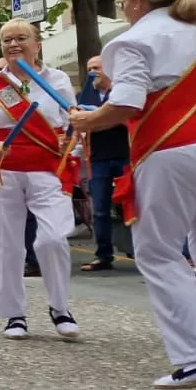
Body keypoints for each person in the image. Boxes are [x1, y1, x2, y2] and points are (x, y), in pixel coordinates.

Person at [70, 0, 196, 390]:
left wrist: (87, 120)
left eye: (123, 1)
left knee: (158, 251)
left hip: (169, 151)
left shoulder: (133, 40)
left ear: (136, 2)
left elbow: (126, 103)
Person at [0, 19, 81, 340]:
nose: (13, 44)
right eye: (7, 40)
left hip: (48, 169)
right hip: (2, 171)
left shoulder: (57, 80)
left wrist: (70, 144)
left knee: (53, 238)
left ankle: (60, 307)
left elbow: (74, 123)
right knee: (7, 244)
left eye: (21, 38)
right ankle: (14, 314)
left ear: (37, 44)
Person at [77, 55, 129, 272]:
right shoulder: (84, 95)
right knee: (99, 209)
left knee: (133, 204)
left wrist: (95, 120)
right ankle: (103, 255)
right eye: (89, 68)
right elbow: (80, 125)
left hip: (125, 155)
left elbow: (126, 120)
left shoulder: (121, 92)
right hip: (97, 158)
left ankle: (145, 250)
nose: (93, 72)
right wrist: (104, 120)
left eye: (97, 68)